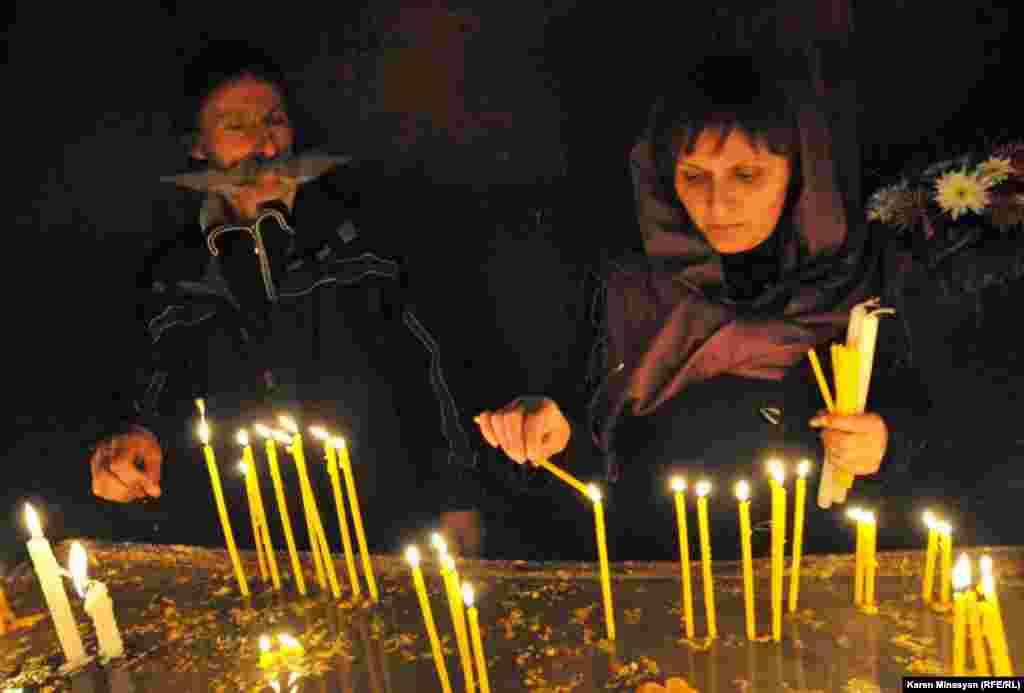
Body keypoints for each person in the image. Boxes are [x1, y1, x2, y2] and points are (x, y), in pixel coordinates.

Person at [475, 52, 931, 560]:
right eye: (694, 176)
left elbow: (939, 427)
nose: (717, 205)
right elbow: (579, 458)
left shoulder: (861, 276)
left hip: (827, 573)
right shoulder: (625, 285)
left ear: (801, 173)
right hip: (658, 573)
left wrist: (887, 443)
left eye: (746, 174)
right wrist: (546, 432)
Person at [87, 40, 484, 555]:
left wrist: (458, 498)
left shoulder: (364, 238)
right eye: (238, 126)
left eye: (274, 121)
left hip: (383, 534)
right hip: (242, 547)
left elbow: (432, 369)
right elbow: (155, 388)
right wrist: (135, 442)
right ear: (198, 147)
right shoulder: (171, 275)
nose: (267, 147)